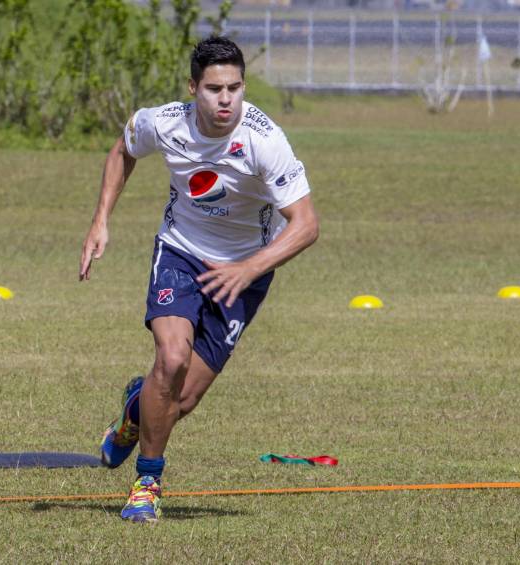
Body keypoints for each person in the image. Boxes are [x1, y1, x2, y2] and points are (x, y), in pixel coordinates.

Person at [79, 36, 318, 523]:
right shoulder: (164, 122)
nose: (226, 99)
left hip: (245, 273)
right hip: (181, 253)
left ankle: (132, 415)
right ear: (194, 88)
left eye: (234, 87)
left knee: (179, 400)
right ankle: (148, 482)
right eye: (214, 89)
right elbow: (122, 151)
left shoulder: (264, 140)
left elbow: (307, 224)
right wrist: (100, 220)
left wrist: (250, 268)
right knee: (171, 359)